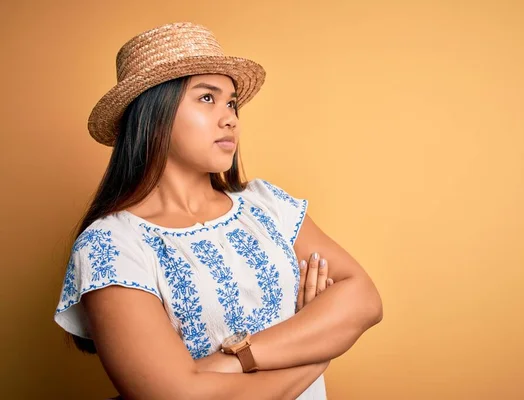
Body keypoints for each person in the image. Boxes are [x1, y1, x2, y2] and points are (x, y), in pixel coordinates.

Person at [54, 21, 383, 400]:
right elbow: (180, 397)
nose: (229, 118)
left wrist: (238, 358)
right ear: (153, 112)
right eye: (207, 98)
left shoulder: (266, 205)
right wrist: (318, 349)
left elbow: (364, 299)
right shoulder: (111, 245)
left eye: (231, 102)